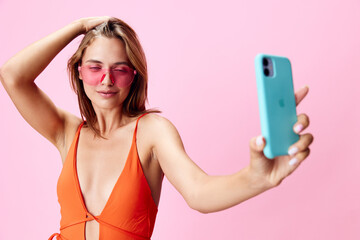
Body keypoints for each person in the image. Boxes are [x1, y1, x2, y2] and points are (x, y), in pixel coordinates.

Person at [0, 17, 313, 240]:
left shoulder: (152, 131)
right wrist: (79, 27)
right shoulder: (67, 132)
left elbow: (199, 192)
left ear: (134, 75)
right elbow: (12, 76)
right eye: (95, 67)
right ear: (79, 72)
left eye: (120, 70)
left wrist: (258, 178)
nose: (106, 80)